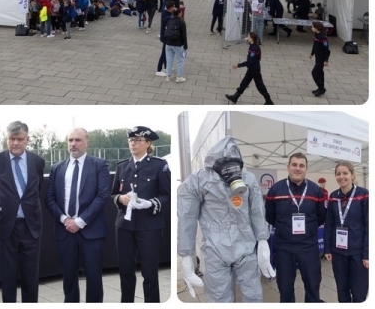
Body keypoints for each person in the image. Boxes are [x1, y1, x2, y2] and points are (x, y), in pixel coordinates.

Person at [178, 135, 274, 302]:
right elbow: (187, 217)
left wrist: (263, 241)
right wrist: (186, 257)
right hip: (215, 249)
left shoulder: (248, 179)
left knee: (253, 295)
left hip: (245, 246)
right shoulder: (198, 181)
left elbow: (257, 212)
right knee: (219, 298)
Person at [46, 128, 111, 302]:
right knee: (68, 276)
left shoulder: (100, 165)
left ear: (87, 142)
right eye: (70, 140)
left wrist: (80, 221)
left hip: (92, 232)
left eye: (78, 140)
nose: (73, 144)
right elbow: (50, 198)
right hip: (64, 231)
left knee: (94, 276)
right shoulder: (57, 168)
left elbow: (103, 195)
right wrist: (64, 219)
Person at [0, 121, 45, 303]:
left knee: (31, 278)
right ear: (6, 139)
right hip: (6, 228)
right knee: (8, 278)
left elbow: (38, 190)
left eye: (19, 139)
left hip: (31, 227)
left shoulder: (37, 161)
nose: (15, 143)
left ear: (27, 139)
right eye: (11, 139)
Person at [111, 126, 170, 302]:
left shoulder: (160, 166)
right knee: (126, 272)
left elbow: (167, 194)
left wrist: (151, 203)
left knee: (150, 273)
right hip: (124, 226)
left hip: (149, 226)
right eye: (131, 140)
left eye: (138, 140)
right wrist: (120, 198)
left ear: (148, 143)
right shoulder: (122, 167)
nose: (133, 144)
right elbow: (113, 194)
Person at [265, 152, 327, 302]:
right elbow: (270, 217)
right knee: (285, 287)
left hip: (308, 246)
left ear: (306, 169)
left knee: (313, 285)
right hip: (284, 246)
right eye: (294, 165)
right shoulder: (275, 190)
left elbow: (321, 217)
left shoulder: (316, 191)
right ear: (288, 167)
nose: (297, 168)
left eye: (301, 165)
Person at [324, 161, 369, 303]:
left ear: (353, 175)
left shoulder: (364, 194)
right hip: (338, 253)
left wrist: (367, 254)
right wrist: (327, 248)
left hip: (358, 253)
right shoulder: (333, 196)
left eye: (345, 173)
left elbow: (369, 225)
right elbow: (329, 224)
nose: (341, 177)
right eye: (338, 174)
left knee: (359, 292)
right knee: (342, 291)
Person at [225, 31, 274, 105]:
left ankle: (268, 100)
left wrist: (238, 65)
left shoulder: (254, 49)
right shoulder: (252, 45)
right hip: (251, 69)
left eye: (248, 36)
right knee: (244, 83)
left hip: (255, 70)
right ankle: (235, 97)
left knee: (260, 85)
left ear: (252, 39)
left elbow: (250, 61)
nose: (247, 37)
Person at [164, 6, 187, 83]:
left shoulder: (169, 21)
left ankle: (168, 76)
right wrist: (185, 46)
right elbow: (184, 35)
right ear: (180, 14)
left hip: (168, 43)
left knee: (169, 59)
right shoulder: (181, 22)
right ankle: (179, 77)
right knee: (180, 60)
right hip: (177, 44)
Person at [310, 20, 330, 97]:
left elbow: (327, 50)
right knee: (320, 72)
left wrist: (326, 60)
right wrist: (312, 53)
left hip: (321, 58)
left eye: (312, 27)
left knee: (314, 72)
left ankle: (321, 88)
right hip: (317, 57)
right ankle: (320, 88)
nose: (311, 28)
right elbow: (315, 46)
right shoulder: (316, 35)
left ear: (317, 28)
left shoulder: (323, 38)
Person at [156, 0, 175, 76]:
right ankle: (159, 69)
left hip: (167, 36)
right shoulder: (165, 14)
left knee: (167, 52)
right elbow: (167, 19)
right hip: (165, 36)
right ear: (170, 8)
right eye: (173, 7)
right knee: (164, 53)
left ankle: (166, 67)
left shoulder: (169, 13)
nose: (174, 8)